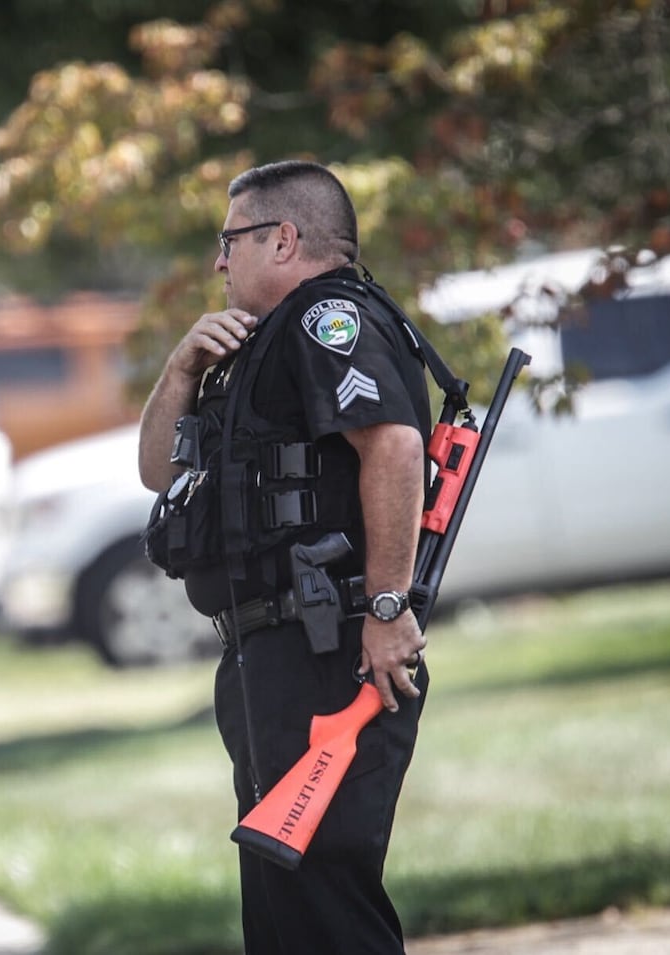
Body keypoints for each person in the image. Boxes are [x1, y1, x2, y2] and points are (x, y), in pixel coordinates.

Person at [138, 159, 432, 953]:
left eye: (229, 240)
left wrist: (386, 608)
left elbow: (398, 449)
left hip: (328, 651)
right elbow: (158, 472)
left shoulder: (323, 321)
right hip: (278, 654)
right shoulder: (257, 344)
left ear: (284, 239)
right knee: (284, 909)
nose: (218, 261)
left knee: (323, 904)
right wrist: (180, 368)